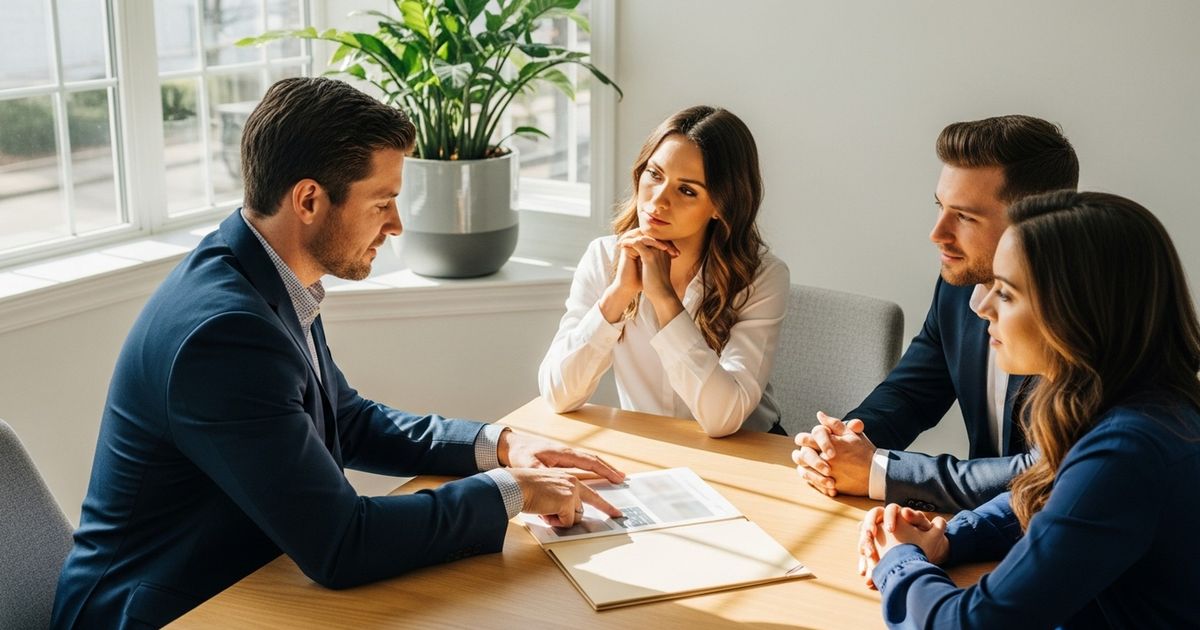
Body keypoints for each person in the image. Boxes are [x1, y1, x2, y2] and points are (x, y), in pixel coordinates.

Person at [51, 77, 625, 629]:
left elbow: (343, 419)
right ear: (309, 200)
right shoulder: (227, 334)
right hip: (161, 613)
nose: (396, 225)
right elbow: (342, 544)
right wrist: (511, 491)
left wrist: (498, 445)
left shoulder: (264, 273)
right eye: (382, 202)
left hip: (246, 587)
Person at [855, 190, 1200, 628]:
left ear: (1075, 312)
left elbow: (969, 624)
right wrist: (946, 539)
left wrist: (898, 560)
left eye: (1006, 293)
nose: (982, 307)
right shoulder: (1138, 404)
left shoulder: (1126, 451)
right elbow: (1049, 499)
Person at [792, 115, 1078, 512]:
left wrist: (880, 471)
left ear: (1036, 225)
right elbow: (911, 394)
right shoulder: (959, 287)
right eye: (940, 206)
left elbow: (1049, 471)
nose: (937, 233)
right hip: (980, 526)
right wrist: (842, 444)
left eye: (965, 217)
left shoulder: (1082, 315)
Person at [538, 106, 790, 437]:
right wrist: (618, 295)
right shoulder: (603, 257)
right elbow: (558, 395)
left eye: (687, 190)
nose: (658, 201)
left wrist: (664, 299)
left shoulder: (761, 277)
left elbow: (723, 419)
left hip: (748, 450)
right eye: (655, 175)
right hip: (652, 448)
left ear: (720, 205)